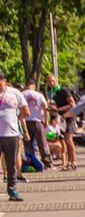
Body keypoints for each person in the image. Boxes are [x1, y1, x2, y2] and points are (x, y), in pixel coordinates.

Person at [0, 71, 28, 201]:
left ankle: (13, 190)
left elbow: (26, 111)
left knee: (11, 165)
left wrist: (16, 120)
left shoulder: (15, 93)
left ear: (4, 80)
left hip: (11, 134)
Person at [46, 75, 77, 171]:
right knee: (64, 141)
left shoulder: (63, 90)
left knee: (69, 139)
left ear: (56, 81)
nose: (51, 83)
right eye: (49, 82)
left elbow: (72, 104)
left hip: (70, 116)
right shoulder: (52, 92)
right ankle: (68, 163)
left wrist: (59, 109)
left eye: (52, 81)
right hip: (62, 118)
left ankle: (74, 162)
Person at [21, 80, 50, 168]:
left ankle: (31, 161)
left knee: (27, 143)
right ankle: (47, 162)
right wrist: (46, 120)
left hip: (25, 121)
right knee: (42, 142)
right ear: (33, 85)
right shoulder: (39, 95)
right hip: (37, 120)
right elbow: (45, 108)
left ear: (26, 85)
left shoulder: (22, 95)